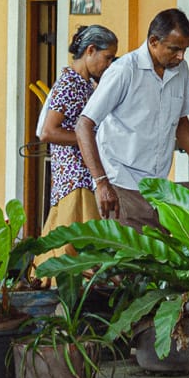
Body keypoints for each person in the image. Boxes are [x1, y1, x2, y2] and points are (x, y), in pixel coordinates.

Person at [76, 8, 189, 232]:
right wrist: (101, 182)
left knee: (157, 251)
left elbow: (181, 122)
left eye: (184, 50)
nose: (181, 56)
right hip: (121, 182)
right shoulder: (124, 70)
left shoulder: (180, 70)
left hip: (157, 185)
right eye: (174, 49)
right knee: (130, 253)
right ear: (153, 42)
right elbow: (84, 124)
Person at [38, 24, 118, 234]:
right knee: (74, 244)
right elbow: (48, 132)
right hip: (74, 178)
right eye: (107, 58)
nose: (109, 65)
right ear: (90, 50)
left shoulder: (85, 83)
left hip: (84, 176)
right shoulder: (69, 83)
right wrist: (89, 138)